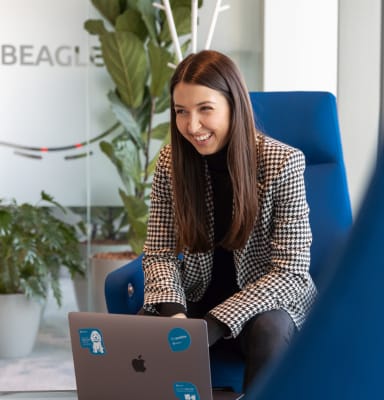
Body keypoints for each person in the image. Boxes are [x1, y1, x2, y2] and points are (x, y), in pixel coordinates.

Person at [141, 50, 317, 391]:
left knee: (270, 330)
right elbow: (159, 254)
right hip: (197, 298)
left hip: (266, 305)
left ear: (233, 105)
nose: (192, 126)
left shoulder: (283, 163)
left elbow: (291, 272)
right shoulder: (170, 162)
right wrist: (175, 313)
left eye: (205, 109)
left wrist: (213, 324)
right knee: (143, 329)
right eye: (181, 112)